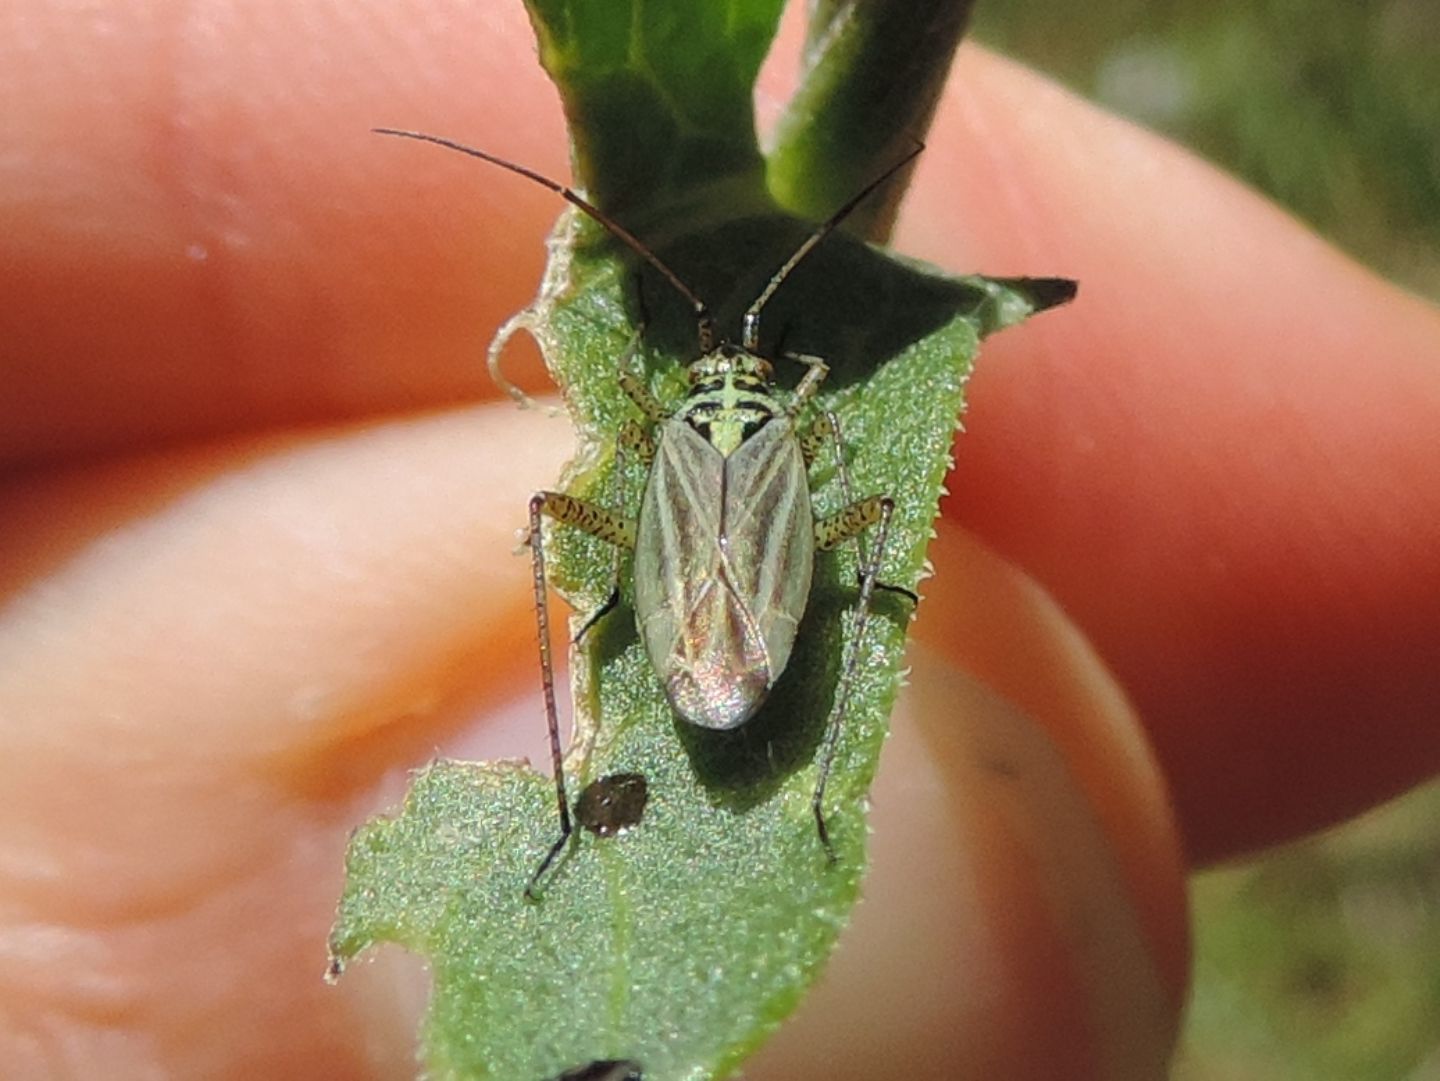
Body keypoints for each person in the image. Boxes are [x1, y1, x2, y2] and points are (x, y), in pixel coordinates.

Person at [2, 2, 1437, 1077]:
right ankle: (750, 782)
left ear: (713, 376)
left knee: (571, 524)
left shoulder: (677, 422)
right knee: (863, 567)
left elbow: (671, 451)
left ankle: (644, 779)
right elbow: (806, 462)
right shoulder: (782, 410)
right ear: (751, 376)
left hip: (695, 553)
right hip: (747, 573)